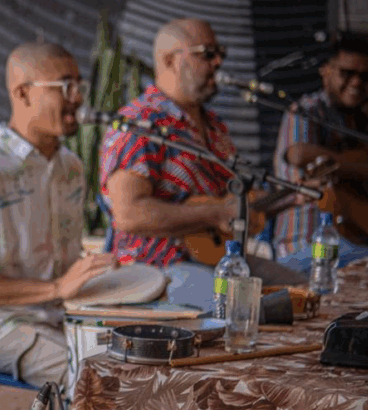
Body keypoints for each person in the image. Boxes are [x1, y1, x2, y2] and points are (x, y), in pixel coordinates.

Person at [0, 42, 115, 389]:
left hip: (56, 317)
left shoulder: (71, 168)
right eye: (66, 86)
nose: (78, 98)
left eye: (79, 86)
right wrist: (56, 288)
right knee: (94, 379)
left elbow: (63, 266)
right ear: (22, 93)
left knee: (138, 359)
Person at [99, 18, 305, 312]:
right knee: (243, 310)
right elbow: (129, 214)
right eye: (207, 53)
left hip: (219, 258)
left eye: (221, 53)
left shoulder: (213, 126)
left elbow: (234, 201)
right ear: (170, 60)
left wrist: (289, 197)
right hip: (158, 267)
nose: (218, 62)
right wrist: (215, 213)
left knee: (303, 296)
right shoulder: (140, 123)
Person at [271, 37, 368, 273]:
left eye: (366, 77)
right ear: (325, 71)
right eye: (347, 73)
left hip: (349, 240)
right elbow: (299, 154)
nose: (357, 82)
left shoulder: (361, 124)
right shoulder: (307, 110)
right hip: (304, 245)